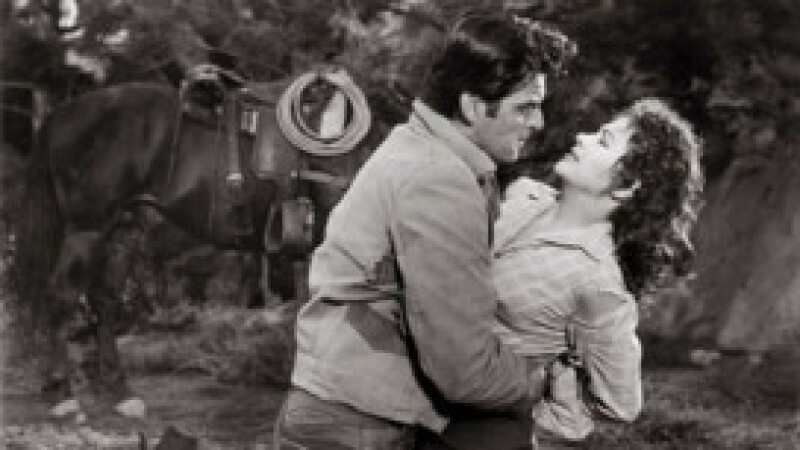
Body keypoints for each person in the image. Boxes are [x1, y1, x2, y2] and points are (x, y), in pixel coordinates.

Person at [272, 13, 577, 449]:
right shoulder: (438, 178)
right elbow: (465, 373)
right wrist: (544, 378)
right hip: (355, 429)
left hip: (349, 414)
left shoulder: (427, 151)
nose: (539, 122)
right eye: (525, 107)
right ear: (472, 107)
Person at [439, 98, 704, 449]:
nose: (582, 137)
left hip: (479, 431)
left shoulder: (599, 283)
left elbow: (621, 403)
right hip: (408, 393)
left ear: (626, 186)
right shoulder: (523, 195)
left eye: (604, 141)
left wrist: (550, 391)